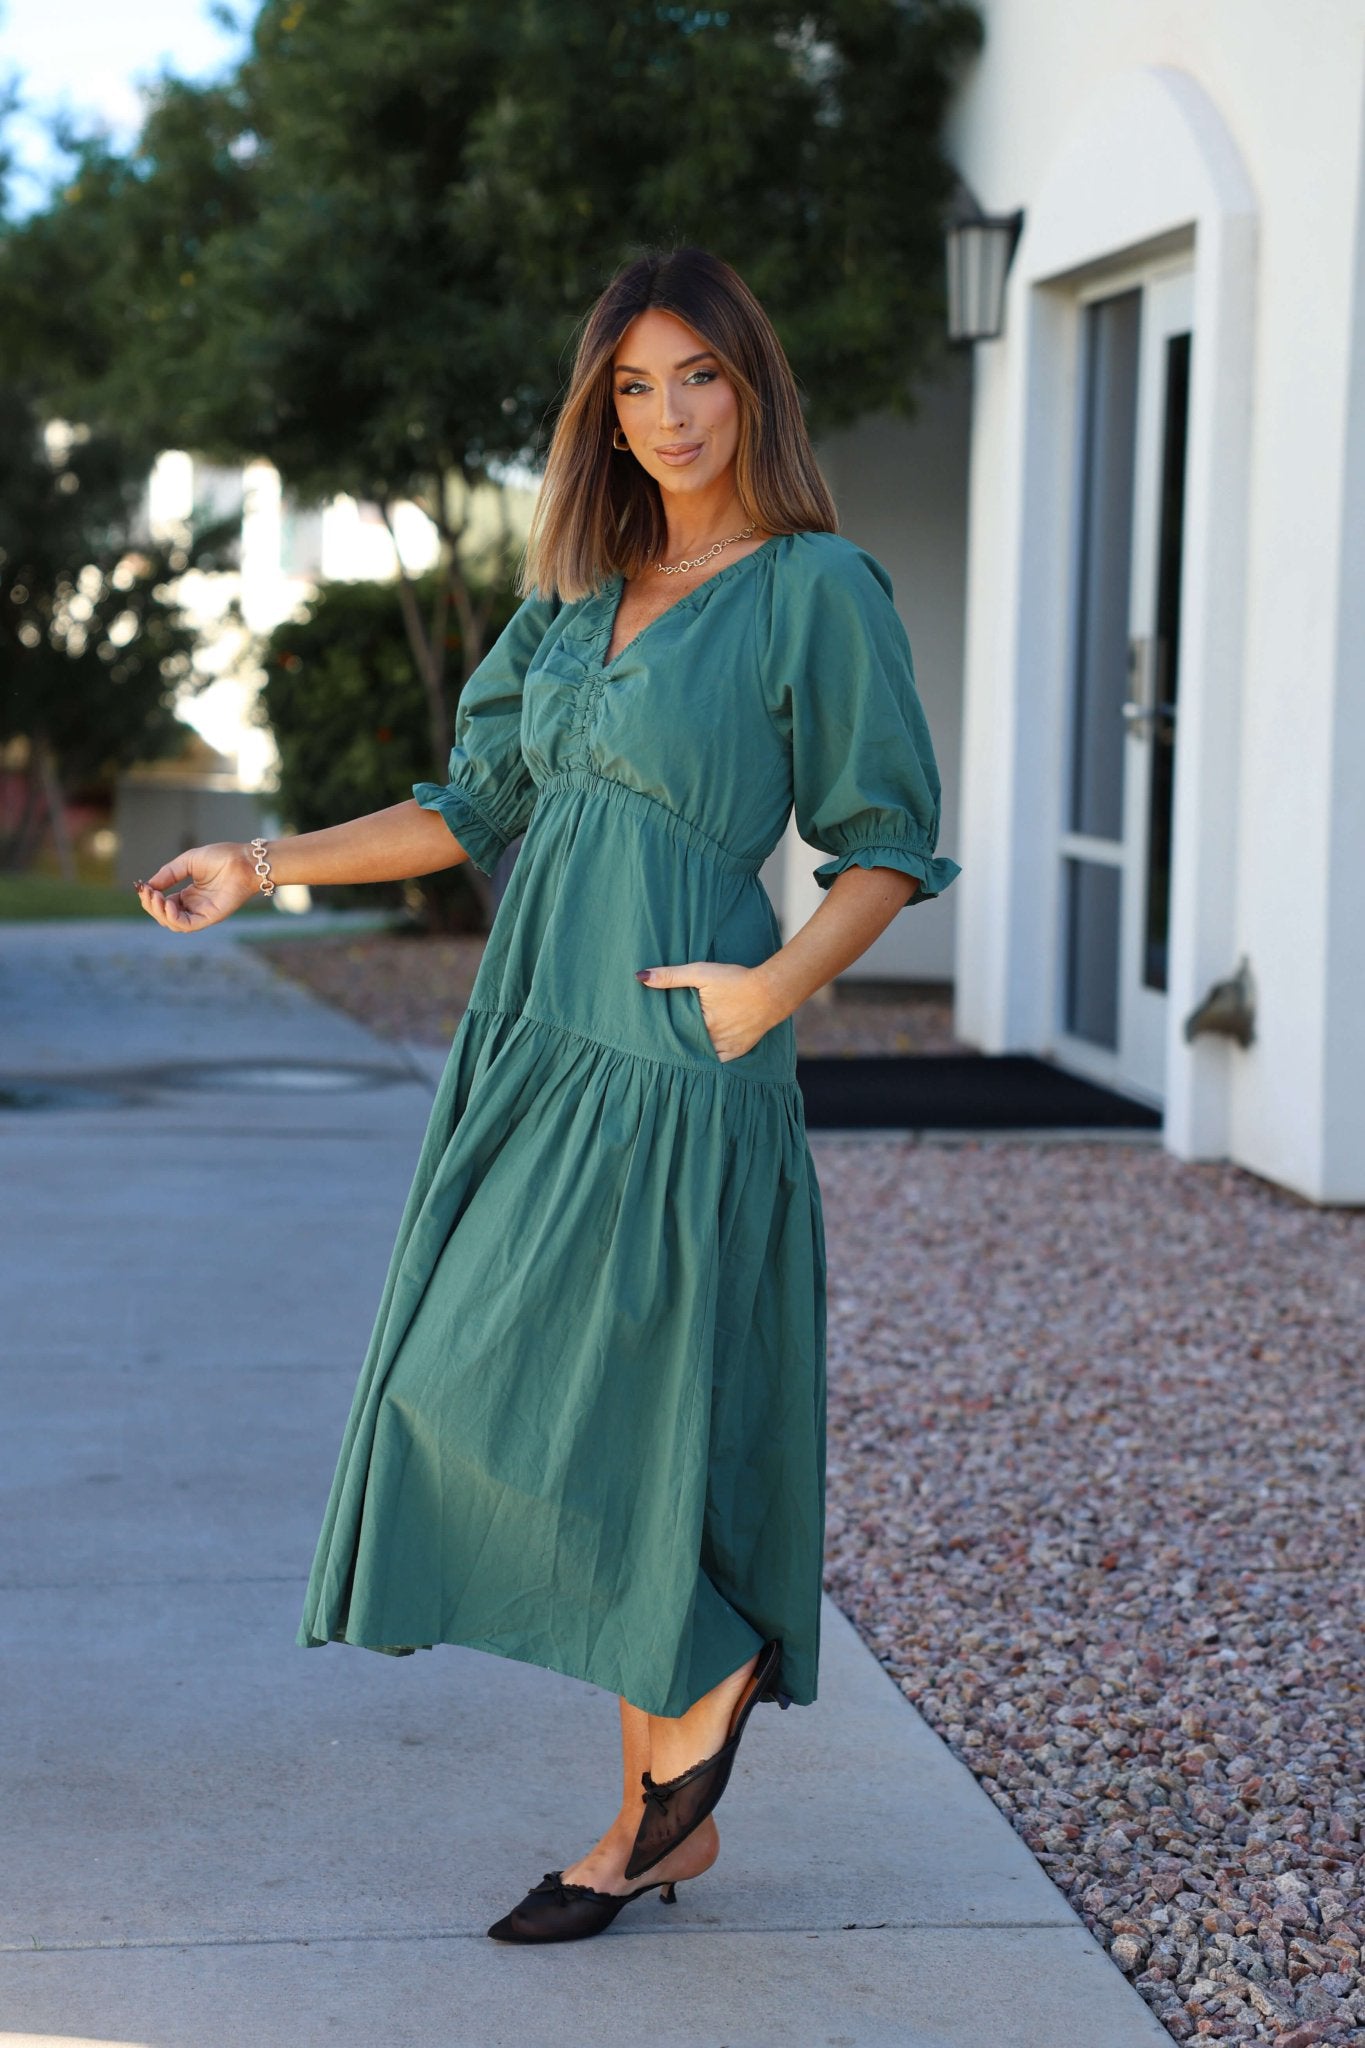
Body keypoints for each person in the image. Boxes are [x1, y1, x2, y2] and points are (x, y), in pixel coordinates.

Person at [136, 244, 961, 1944]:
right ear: (599, 411)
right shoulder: (570, 610)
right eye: (633, 385)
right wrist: (261, 858)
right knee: (470, 1388)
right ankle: (684, 1769)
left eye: (700, 377)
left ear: (754, 387)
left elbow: (885, 846)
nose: (668, 415)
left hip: (677, 1055)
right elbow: (464, 809)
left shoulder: (816, 586)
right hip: (527, 1049)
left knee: (640, 1408)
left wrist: (767, 993)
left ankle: (653, 1808)